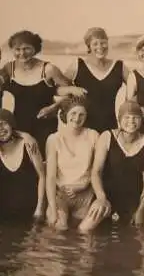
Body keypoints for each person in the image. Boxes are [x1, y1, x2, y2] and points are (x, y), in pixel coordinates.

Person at [1, 30, 85, 158]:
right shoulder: (9, 68)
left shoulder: (49, 69)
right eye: (17, 49)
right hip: (18, 127)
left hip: (45, 126)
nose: (22, 53)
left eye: (26, 48)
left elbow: (73, 94)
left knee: (45, 162)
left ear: (35, 49)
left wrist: (54, 107)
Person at [79, 101, 144, 231]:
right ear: (119, 120)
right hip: (107, 196)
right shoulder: (107, 136)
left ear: (141, 120)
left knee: (140, 236)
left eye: (135, 118)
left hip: (134, 201)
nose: (131, 121)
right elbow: (96, 172)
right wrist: (101, 198)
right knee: (84, 229)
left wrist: (140, 209)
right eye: (126, 117)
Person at [45, 96, 100, 231]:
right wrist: (52, 208)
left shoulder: (93, 136)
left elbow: (97, 170)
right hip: (61, 195)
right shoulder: (54, 139)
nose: (77, 118)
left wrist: (83, 186)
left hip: (85, 194)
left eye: (82, 114)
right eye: (73, 113)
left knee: (83, 233)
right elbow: (50, 177)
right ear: (65, 115)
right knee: (59, 229)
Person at [64, 27, 129, 133]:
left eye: (103, 42)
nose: (100, 47)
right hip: (81, 126)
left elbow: (137, 86)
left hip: (110, 126)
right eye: (95, 43)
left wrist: (127, 108)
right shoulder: (78, 64)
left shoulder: (119, 66)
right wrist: (71, 89)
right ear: (89, 46)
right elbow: (57, 88)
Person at [0, 109, 45, 224]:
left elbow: (42, 176)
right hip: (4, 215)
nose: (1, 129)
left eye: (3, 123)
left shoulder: (28, 145)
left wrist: (39, 208)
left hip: (30, 211)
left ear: (11, 124)